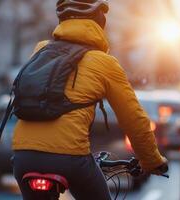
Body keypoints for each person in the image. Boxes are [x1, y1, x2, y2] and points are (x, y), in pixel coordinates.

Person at [11, 0, 168, 199]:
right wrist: (151, 161)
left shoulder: (41, 50)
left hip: (23, 156)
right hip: (69, 158)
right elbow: (134, 119)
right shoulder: (105, 63)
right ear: (99, 21)